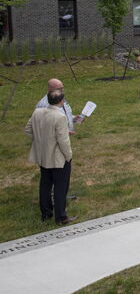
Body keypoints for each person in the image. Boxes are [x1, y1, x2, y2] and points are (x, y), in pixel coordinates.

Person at [26, 87, 76, 224]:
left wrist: (41, 141)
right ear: (61, 101)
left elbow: (28, 130)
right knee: (61, 186)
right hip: (57, 157)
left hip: (42, 155)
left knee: (45, 184)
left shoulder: (37, 112)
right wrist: (68, 156)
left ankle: (46, 213)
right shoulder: (60, 117)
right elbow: (63, 140)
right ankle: (60, 216)